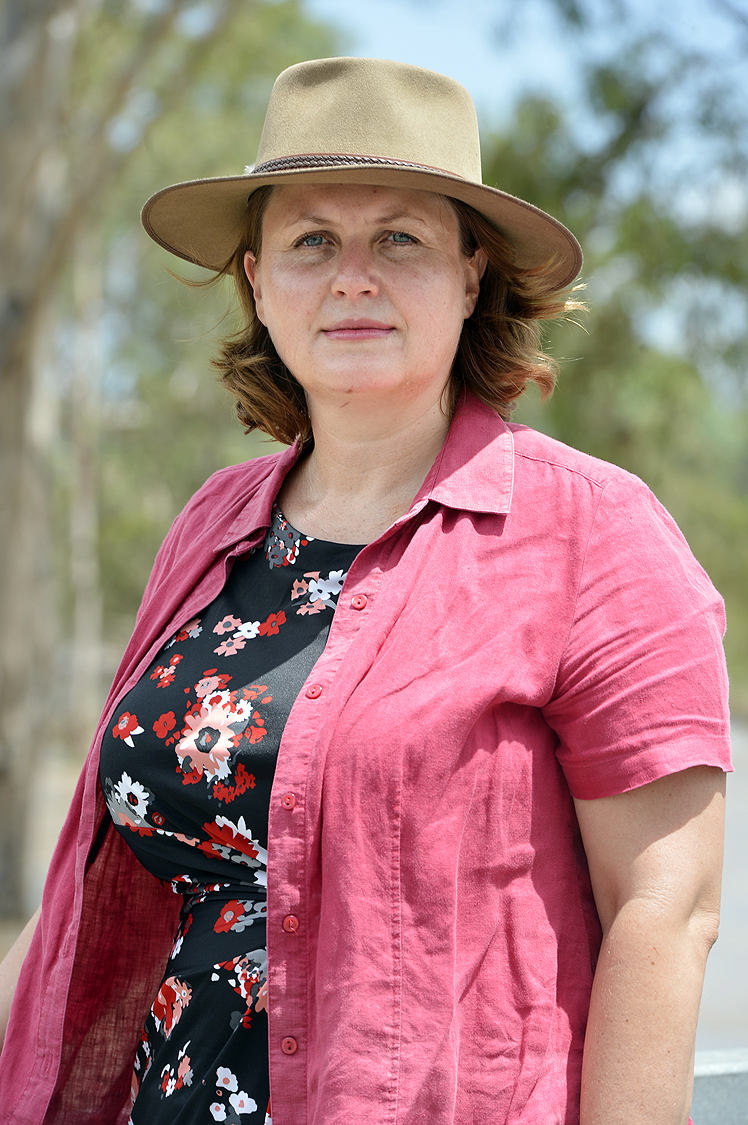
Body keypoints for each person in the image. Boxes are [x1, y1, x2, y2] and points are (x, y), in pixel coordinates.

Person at [0, 57, 731, 1125]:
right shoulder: (212, 525)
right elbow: (99, 870)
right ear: (257, 281)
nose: (352, 276)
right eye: (311, 242)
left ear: (472, 276)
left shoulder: (594, 531)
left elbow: (665, 912)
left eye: (399, 238)